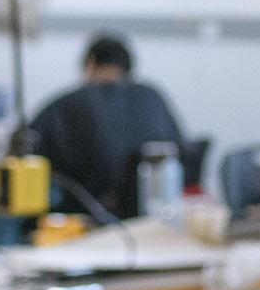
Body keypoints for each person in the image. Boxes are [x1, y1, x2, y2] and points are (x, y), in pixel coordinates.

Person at [27, 33, 188, 219]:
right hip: (156, 219)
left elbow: (26, 151)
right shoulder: (153, 96)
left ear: (90, 64)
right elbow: (184, 151)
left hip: (85, 223)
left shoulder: (68, 104)